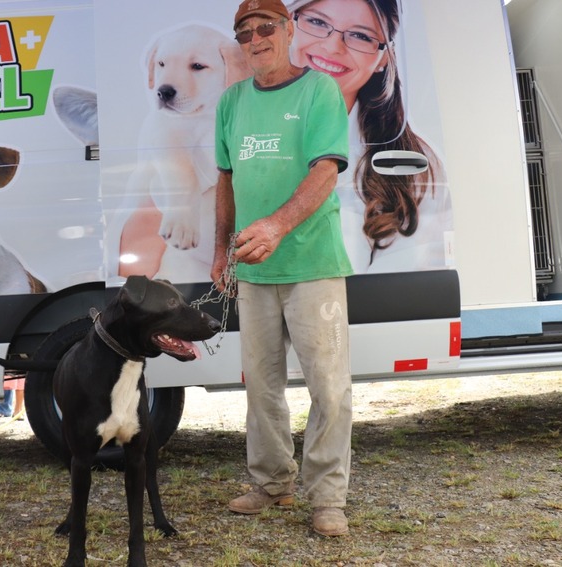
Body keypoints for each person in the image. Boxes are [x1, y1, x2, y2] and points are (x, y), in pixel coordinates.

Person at [213, 0, 352, 536]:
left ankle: (327, 498)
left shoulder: (319, 90)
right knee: (262, 386)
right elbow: (225, 179)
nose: (255, 38)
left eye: (265, 27)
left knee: (329, 387)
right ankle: (271, 482)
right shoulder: (231, 102)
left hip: (313, 263)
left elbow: (325, 172)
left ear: (289, 30)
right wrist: (222, 248)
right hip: (252, 270)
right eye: (244, 32)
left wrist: (275, 226)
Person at [286, 0, 450, 273]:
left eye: (361, 36)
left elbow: (400, 287)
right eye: (317, 22)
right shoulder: (231, 125)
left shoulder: (414, 163)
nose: (331, 47)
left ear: (383, 58)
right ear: (289, 25)